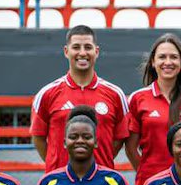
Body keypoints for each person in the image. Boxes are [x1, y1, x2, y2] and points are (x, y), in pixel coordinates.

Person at [31, 25, 129, 172]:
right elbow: (38, 138)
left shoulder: (115, 94)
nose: (82, 53)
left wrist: (101, 161)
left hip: (101, 182)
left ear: (96, 52)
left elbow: (119, 138)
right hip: (59, 182)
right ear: (66, 51)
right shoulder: (47, 94)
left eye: (88, 47)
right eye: (76, 47)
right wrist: (57, 165)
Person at [125, 34, 181, 185]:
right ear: (153, 62)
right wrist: (148, 176)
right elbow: (131, 148)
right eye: (162, 57)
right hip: (149, 184)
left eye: (174, 57)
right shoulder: (138, 99)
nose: (168, 62)